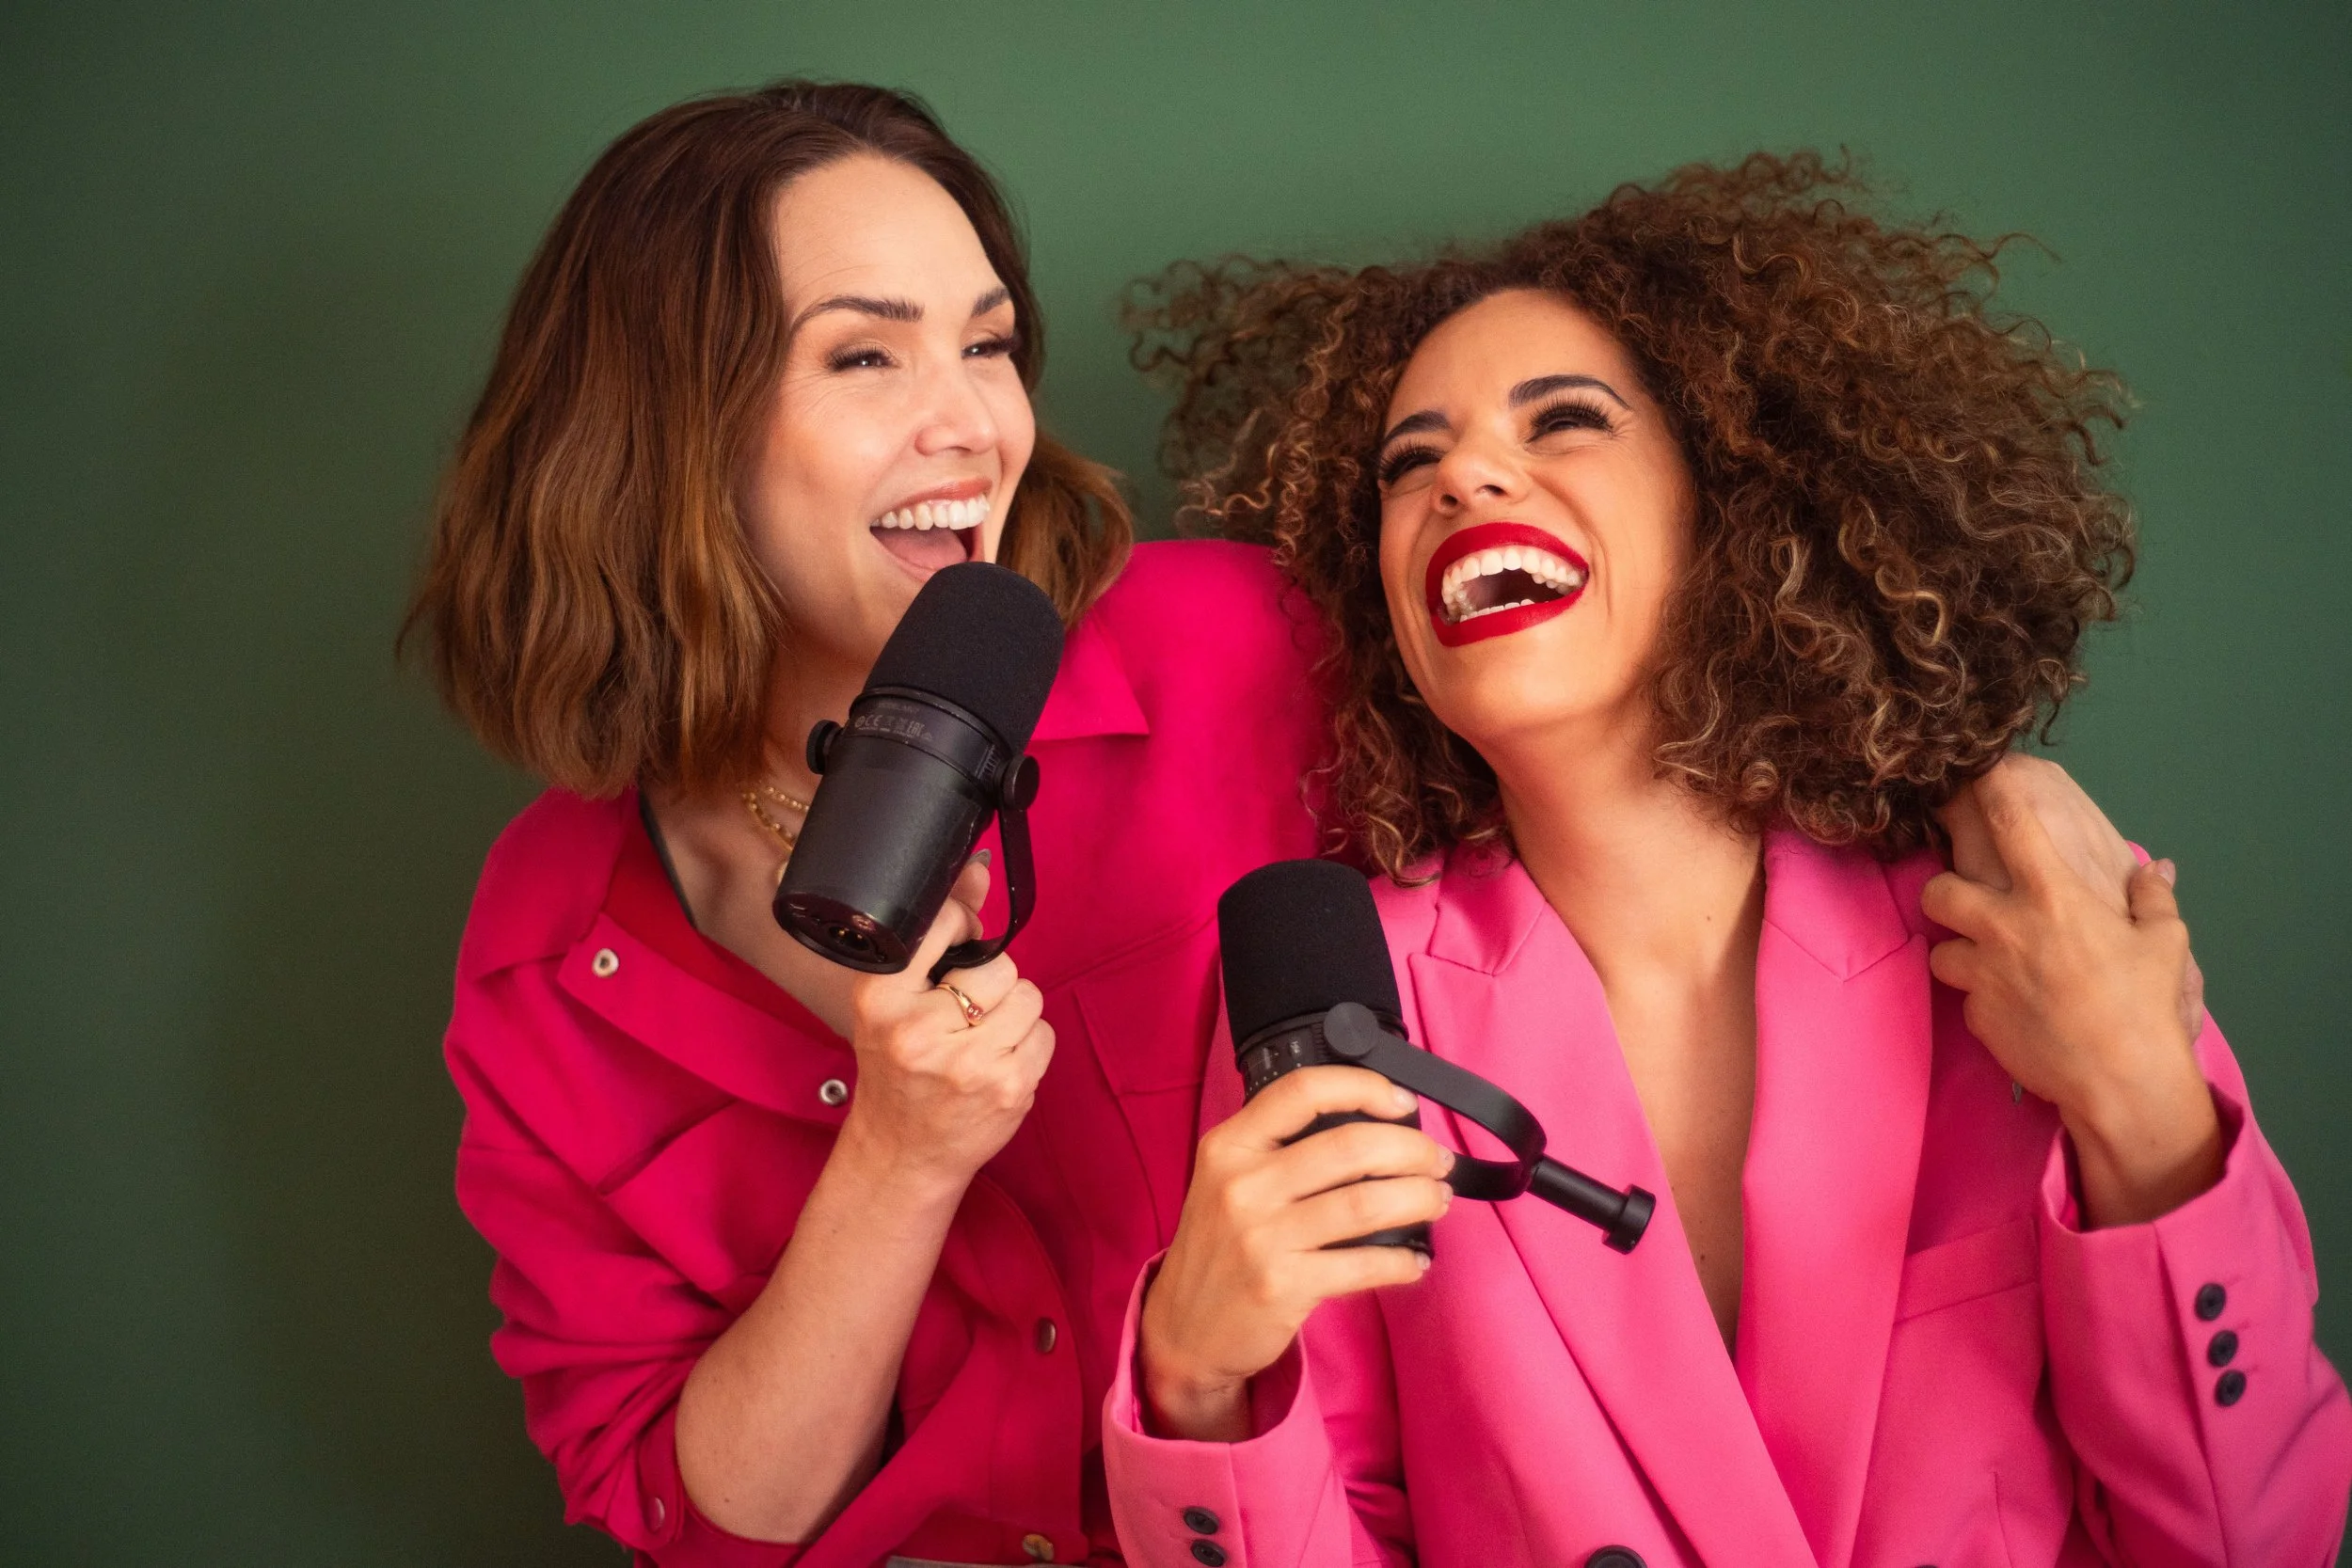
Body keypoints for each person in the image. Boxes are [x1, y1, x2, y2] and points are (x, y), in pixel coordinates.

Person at [1104, 155, 2351, 1566]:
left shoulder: (2031, 915)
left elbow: (2260, 1539)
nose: (1463, 476)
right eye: (1410, 462)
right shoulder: (1344, 1008)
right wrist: (1197, 1380)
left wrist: (2139, 1099)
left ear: (1736, 508)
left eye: (1563, 419)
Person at [405, 82, 1337, 1565]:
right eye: (864, 354)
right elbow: (698, 1516)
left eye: (985, 343)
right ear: (667, 436)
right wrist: (898, 1162)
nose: (972, 422)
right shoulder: (549, 943)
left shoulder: (1242, 654)